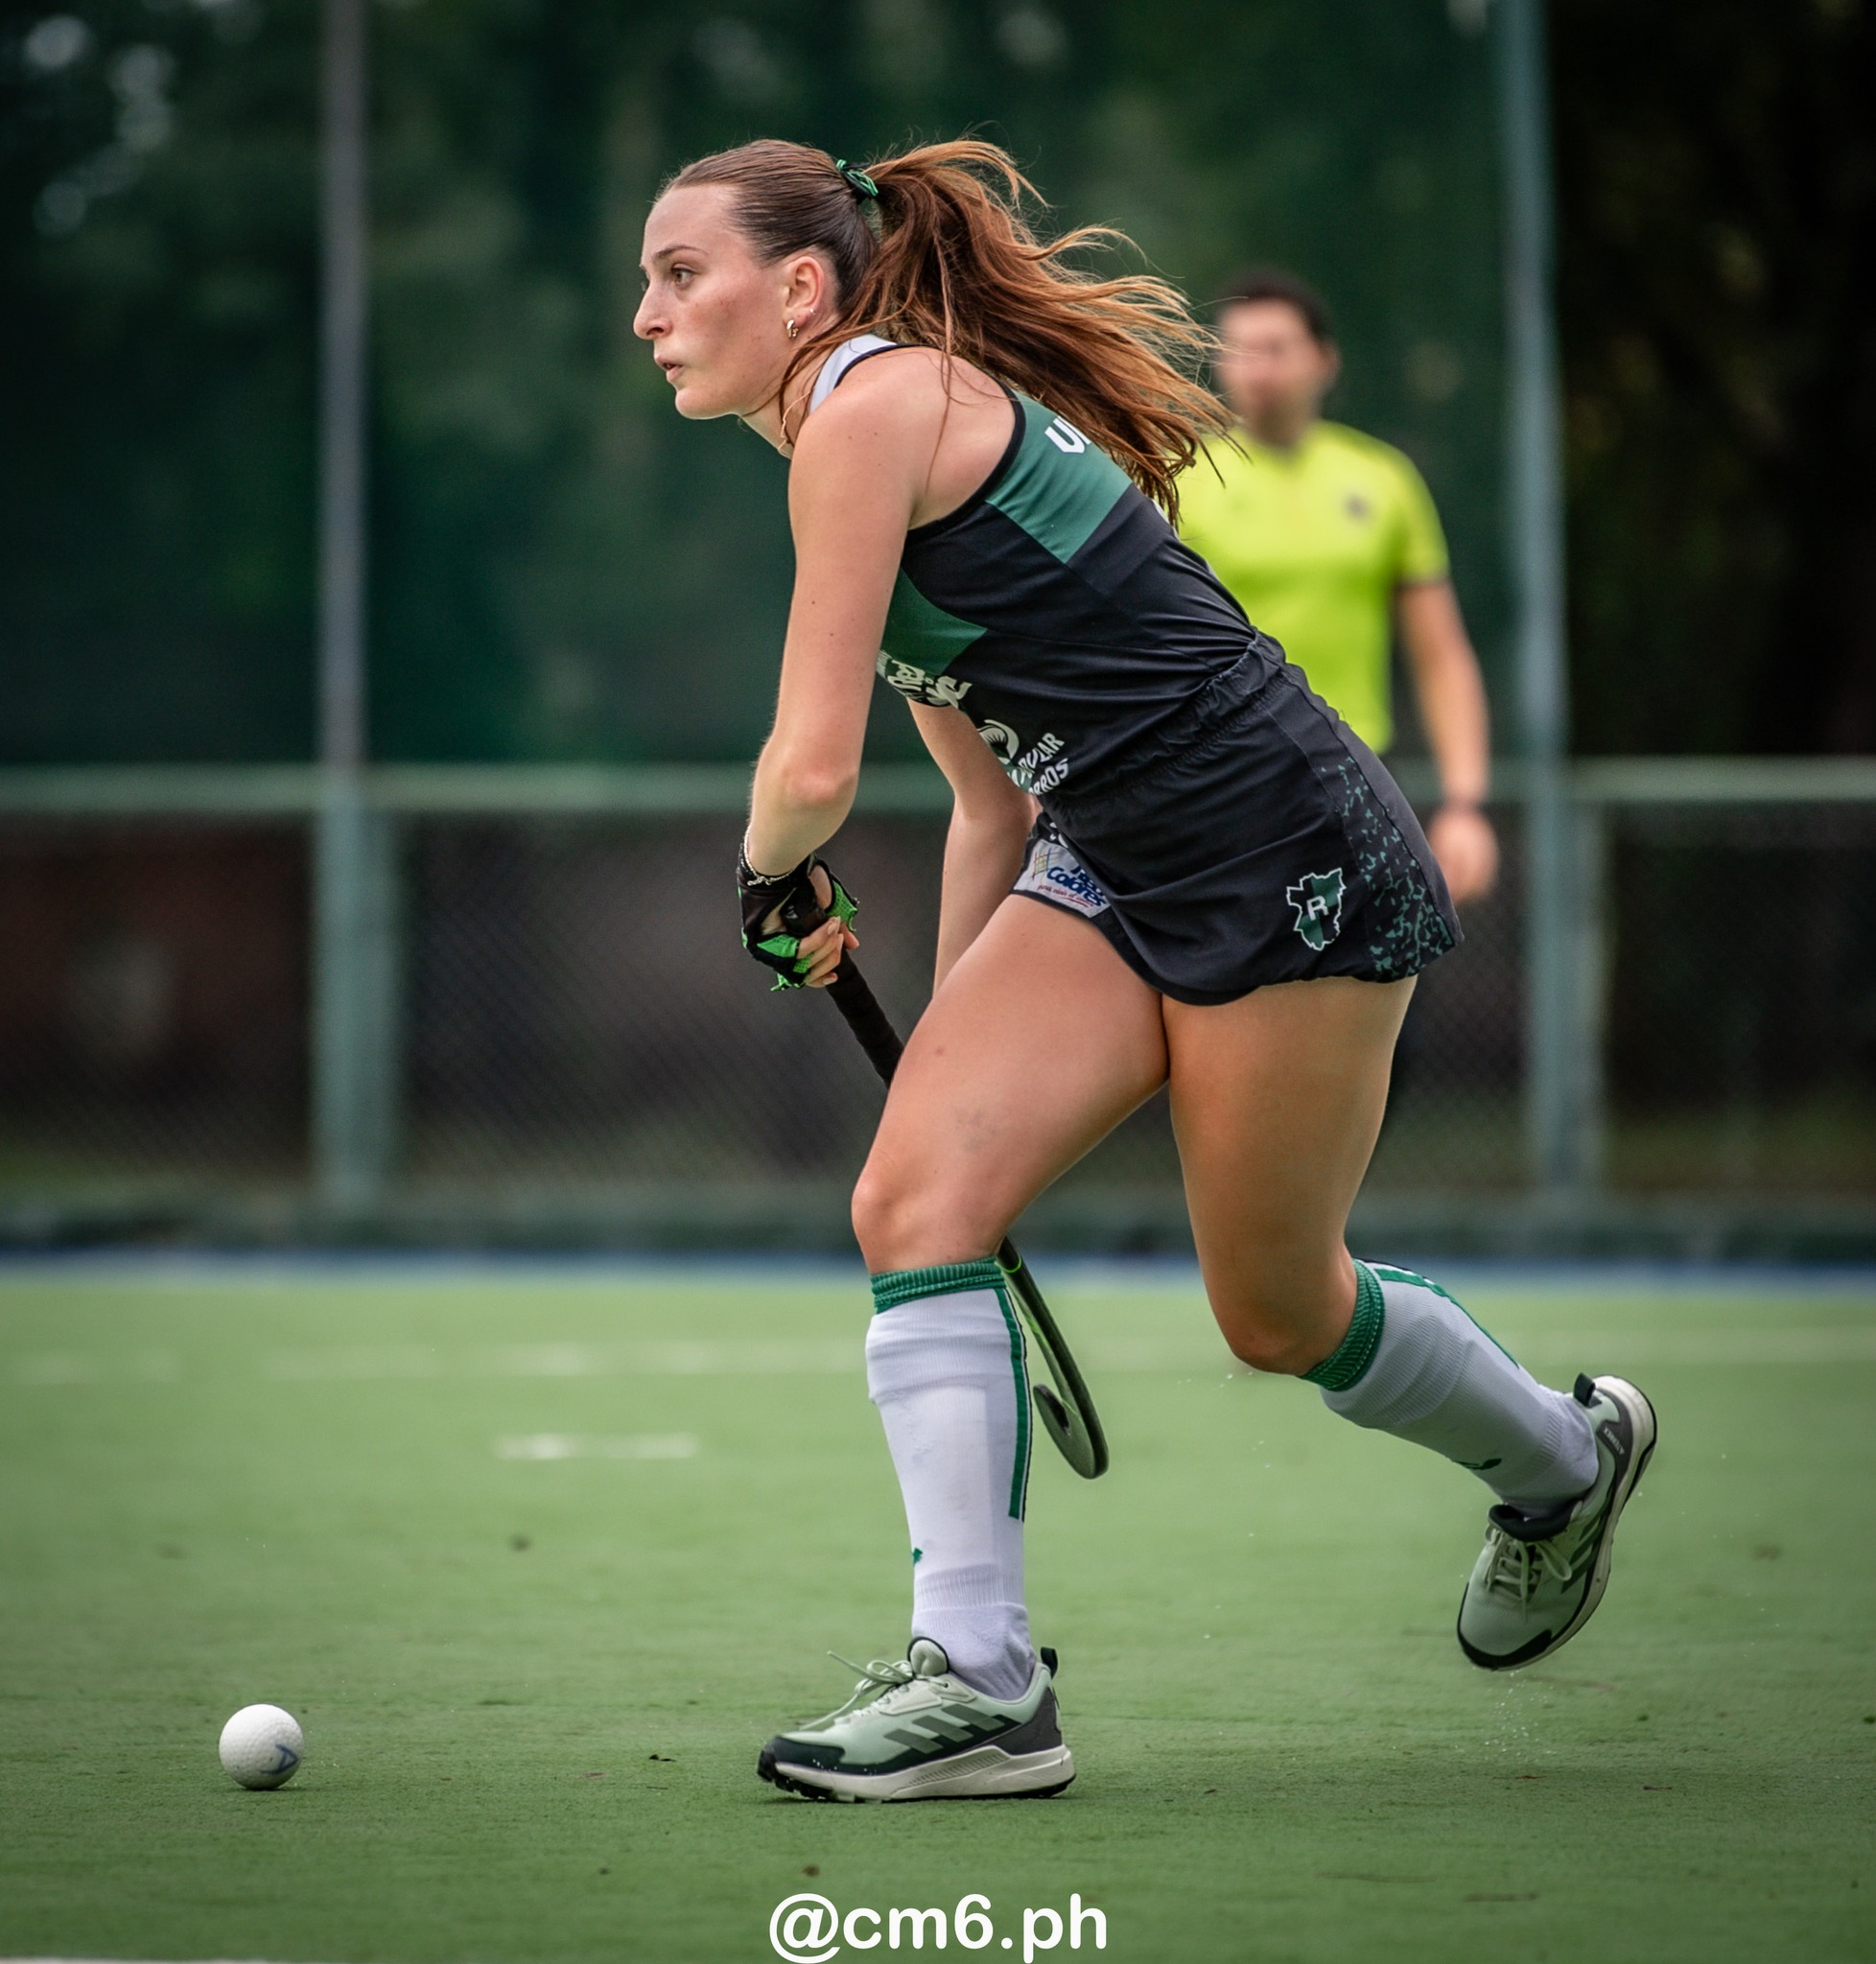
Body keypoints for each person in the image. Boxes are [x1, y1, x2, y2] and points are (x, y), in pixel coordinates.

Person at [634, 139, 1655, 1804]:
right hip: (1105, 850)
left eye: (683, 274)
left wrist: (768, 875)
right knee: (914, 1204)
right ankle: (982, 1680)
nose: (647, 315)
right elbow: (982, 796)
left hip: (1281, 841)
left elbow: (806, 771)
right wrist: (955, 1068)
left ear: (802, 288)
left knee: (1276, 1306)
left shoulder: (868, 410)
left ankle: (1563, 1458)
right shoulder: (848, 448)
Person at [1178, 269, 1500, 906]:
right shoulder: (1180, 479)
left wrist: (1464, 803)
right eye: (1237, 350)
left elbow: (1441, 656)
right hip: (1219, 784)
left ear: (1324, 361)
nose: (1256, 370)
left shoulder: (1384, 480)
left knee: (1381, 988)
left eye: (1275, 348)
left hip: (1362, 780)